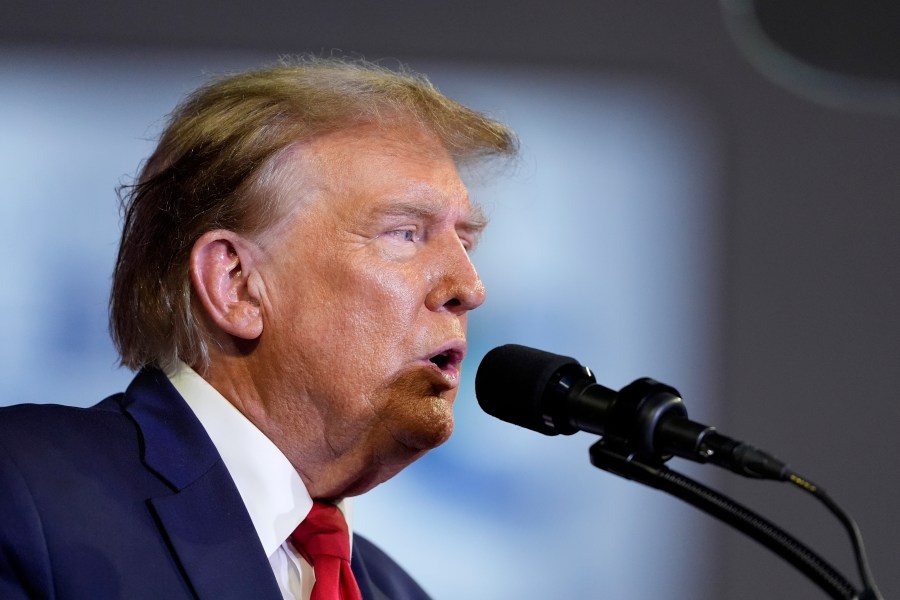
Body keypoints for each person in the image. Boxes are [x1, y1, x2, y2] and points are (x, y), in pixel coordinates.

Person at [0, 57, 516, 599]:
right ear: (237, 284)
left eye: (467, 243)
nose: (471, 288)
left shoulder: (396, 591)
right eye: (406, 233)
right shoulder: (27, 490)